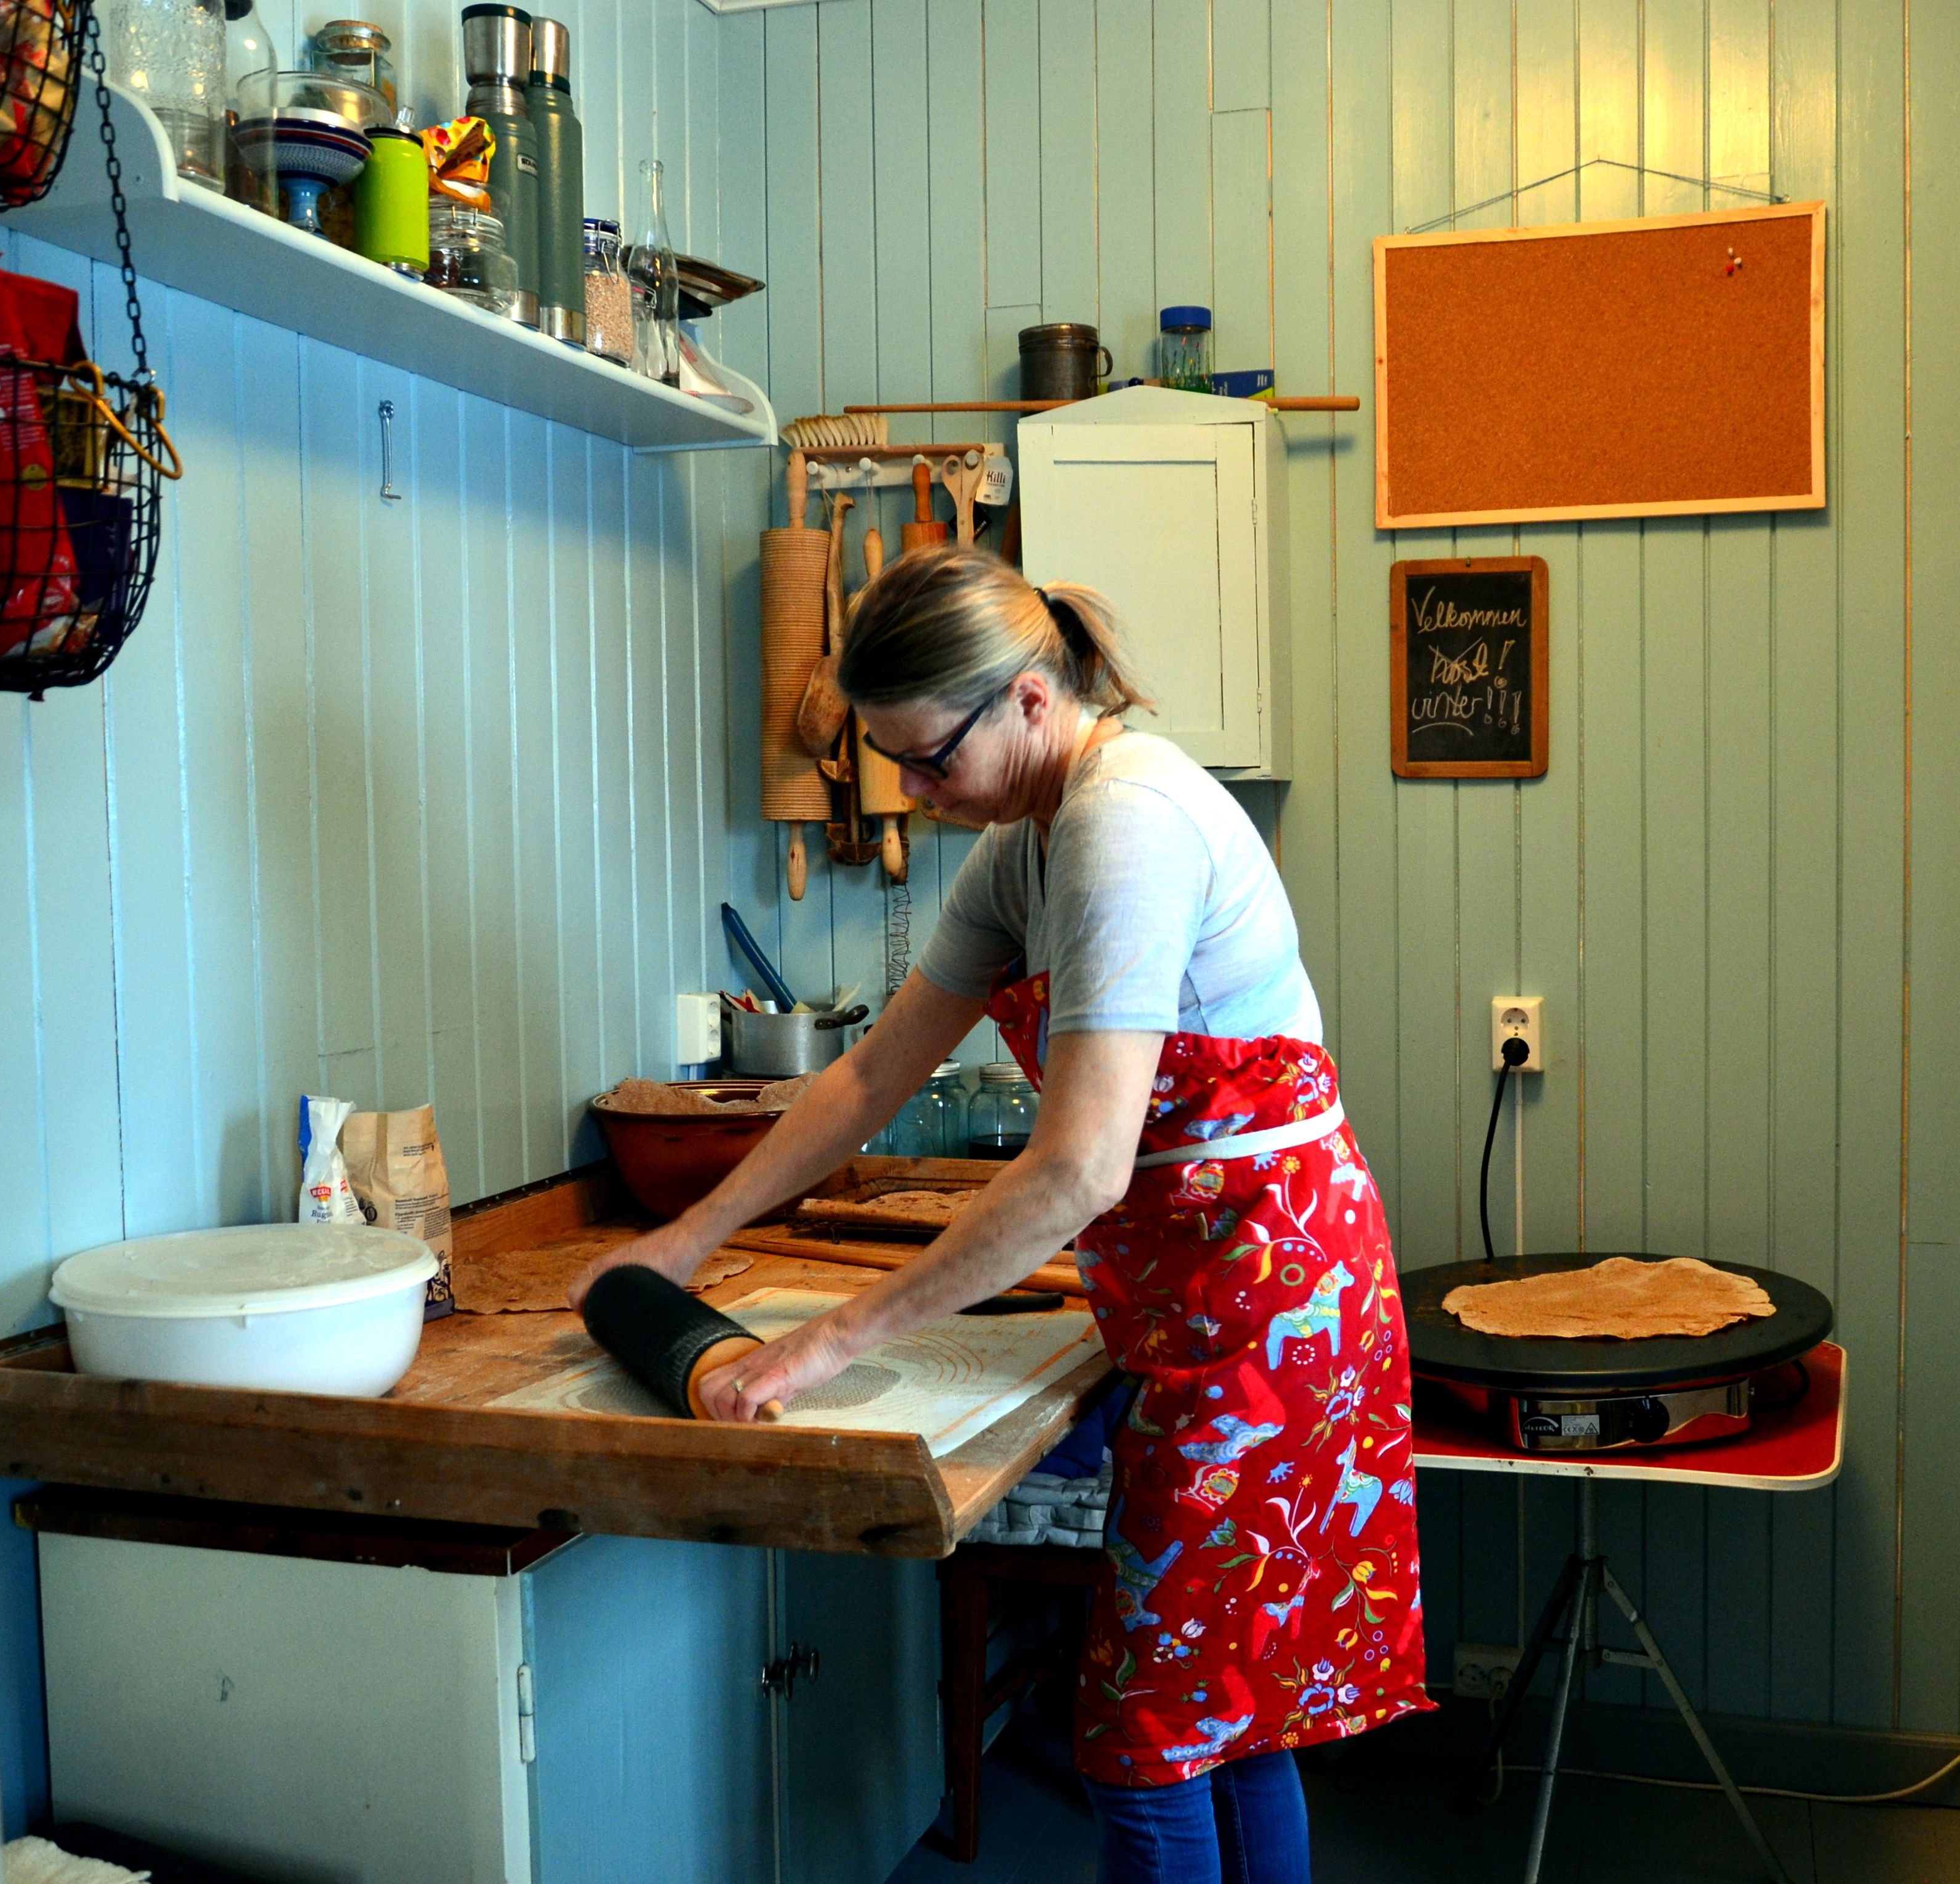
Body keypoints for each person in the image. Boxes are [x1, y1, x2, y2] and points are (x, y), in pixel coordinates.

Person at [574, 543, 1428, 1883]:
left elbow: (1079, 1171)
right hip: (1203, 1287)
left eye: (929, 760)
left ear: (1031, 699)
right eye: (894, 765)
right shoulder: (1026, 842)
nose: (915, 795)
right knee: (1233, 1715)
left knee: (1149, 1743)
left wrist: (824, 1343)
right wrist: (687, 1239)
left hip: (1271, 1309)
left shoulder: (1124, 824)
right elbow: (867, 1078)